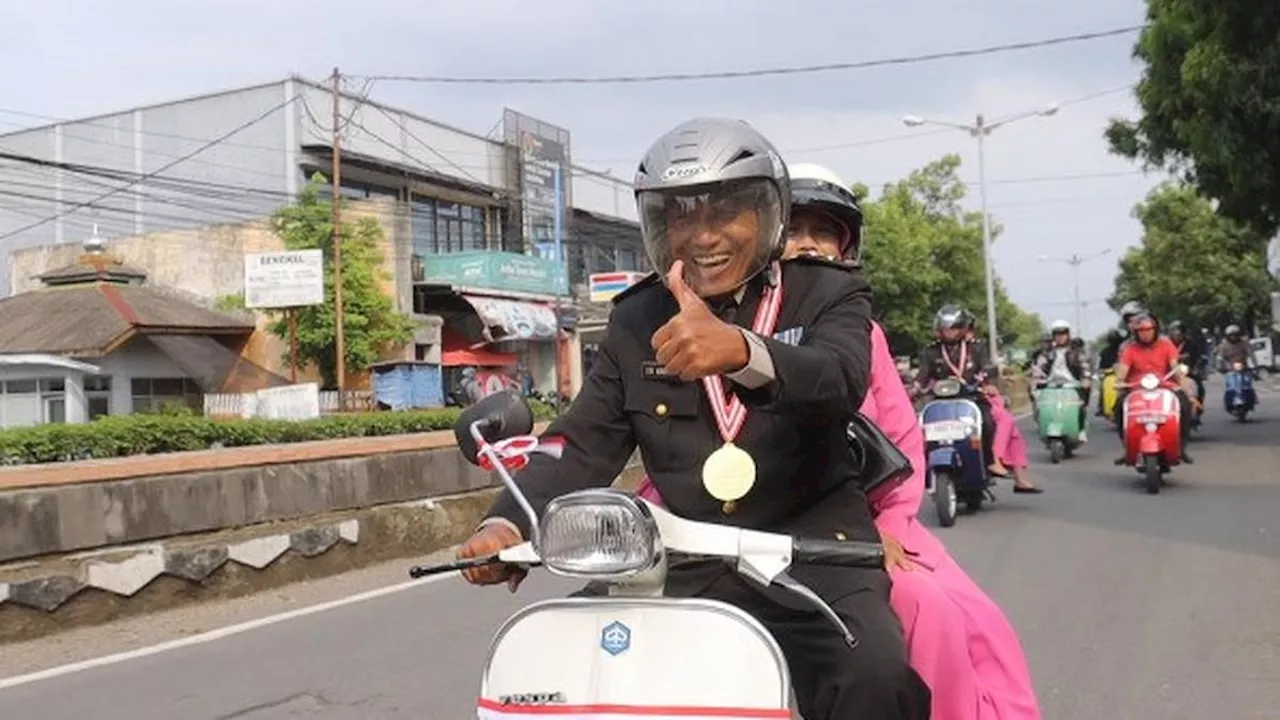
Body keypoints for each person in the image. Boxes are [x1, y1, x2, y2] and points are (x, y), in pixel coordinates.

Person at [456, 119, 931, 720]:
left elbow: (839, 379)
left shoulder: (826, 291)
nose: (702, 236)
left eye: (725, 212)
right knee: (573, 672)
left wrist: (743, 351)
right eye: (680, 215)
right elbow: (579, 445)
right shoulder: (635, 318)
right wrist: (506, 524)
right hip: (686, 563)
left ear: (768, 214)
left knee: (875, 677)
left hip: (816, 558)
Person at [640, 160, 1042, 718]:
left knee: (930, 609)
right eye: (795, 231)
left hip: (855, 531)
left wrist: (886, 528)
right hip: (729, 534)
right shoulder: (703, 325)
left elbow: (901, 438)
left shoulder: (859, 331)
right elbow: (677, 440)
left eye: (822, 233)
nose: (807, 245)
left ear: (844, 245)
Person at [912, 305, 1018, 482]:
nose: (949, 332)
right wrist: (913, 388)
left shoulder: (976, 348)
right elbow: (922, 375)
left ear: (963, 328)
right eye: (945, 328)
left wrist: (989, 385)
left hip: (971, 397)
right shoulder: (930, 351)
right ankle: (920, 466)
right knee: (919, 426)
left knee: (987, 422)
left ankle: (990, 461)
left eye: (954, 328)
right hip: (940, 400)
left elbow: (987, 368)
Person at [1112, 313, 1194, 463]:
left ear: (1155, 330)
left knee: (1185, 405)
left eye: (1149, 330)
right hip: (1136, 387)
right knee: (1118, 408)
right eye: (1141, 331)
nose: (1145, 334)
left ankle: (1181, 447)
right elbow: (1123, 372)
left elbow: (1174, 367)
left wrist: (1182, 383)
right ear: (1135, 333)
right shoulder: (1129, 349)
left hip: (1165, 385)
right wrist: (1120, 381)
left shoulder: (1166, 345)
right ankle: (1127, 447)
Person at [1032, 319, 1092, 443]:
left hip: (1073, 384)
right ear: (1053, 336)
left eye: (1063, 334)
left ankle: (1080, 429)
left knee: (1080, 405)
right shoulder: (1048, 353)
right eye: (1057, 334)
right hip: (1051, 385)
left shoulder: (1076, 352)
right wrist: (1036, 378)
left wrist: (1085, 378)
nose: (1060, 337)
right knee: (1039, 404)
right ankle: (1042, 425)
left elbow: (1084, 366)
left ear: (1068, 335)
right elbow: (1039, 367)